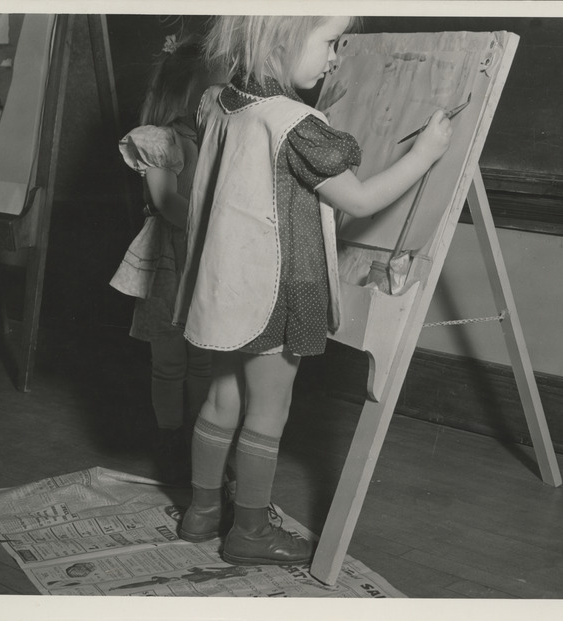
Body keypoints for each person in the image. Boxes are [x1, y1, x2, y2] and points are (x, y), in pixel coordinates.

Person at [173, 15, 452, 566]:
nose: (335, 57)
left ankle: (202, 511)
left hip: (226, 284)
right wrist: (426, 154)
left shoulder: (225, 101)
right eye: (329, 42)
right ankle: (249, 532)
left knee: (222, 396)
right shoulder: (295, 124)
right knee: (269, 408)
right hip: (275, 286)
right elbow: (361, 200)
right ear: (281, 40)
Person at [110, 33, 212, 485]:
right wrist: (217, 222)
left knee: (205, 359)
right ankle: (170, 437)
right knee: (169, 361)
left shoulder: (210, 140)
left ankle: (202, 438)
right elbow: (169, 204)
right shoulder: (160, 140)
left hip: (205, 260)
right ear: (187, 92)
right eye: (212, 89)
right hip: (171, 259)